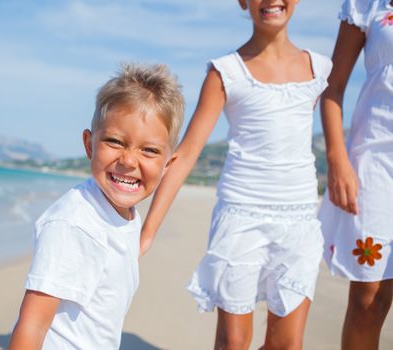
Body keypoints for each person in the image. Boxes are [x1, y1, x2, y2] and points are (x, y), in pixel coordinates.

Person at [139, 1, 332, 349]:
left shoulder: (318, 68)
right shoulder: (225, 72)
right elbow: (185, 155)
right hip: (241, 218)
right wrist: (148, 230)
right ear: (244, 2)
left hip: (299, 220)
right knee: (233, 343)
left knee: (287, 344)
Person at [8, 63, 184, 350]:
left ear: (168, 164)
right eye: (115, 142)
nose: (128, 161)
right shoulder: (73, 224)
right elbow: (32, 325)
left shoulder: (124, 215)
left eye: (149, 150)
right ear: (90, 145)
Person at [317, 0, 393, 349]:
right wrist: (337, 159)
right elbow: (333, 86)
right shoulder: (369, 3)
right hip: (377, 164)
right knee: (368, 300)